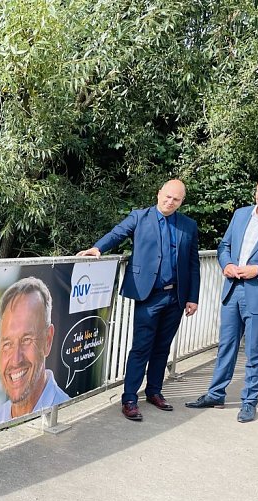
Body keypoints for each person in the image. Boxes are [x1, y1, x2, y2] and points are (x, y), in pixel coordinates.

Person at [186, 172, 258, 423]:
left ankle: (249, 402)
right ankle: (216, 394)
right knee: (226, 346)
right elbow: (224, 246)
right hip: (233, 289)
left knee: (255, 351)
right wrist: (226, 264)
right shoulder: (241, 214)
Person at [77, 179, 200, 421]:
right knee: (142, 346)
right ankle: (130, 398)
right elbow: (117, 233)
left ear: (181, 201)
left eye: (176, 199)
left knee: (163, 347)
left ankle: (154, 391)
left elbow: (193, 263)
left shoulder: (188, 225)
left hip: (176, 296)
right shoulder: (139, 217)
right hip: (149, 295)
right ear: (158, 194)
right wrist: (97, 248)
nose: (170, 201)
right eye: (167, 196)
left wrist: (192, 297)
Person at [0, 277, 70, 425]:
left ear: (48, 340)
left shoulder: (69, 415)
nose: (15, 359)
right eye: (7, 344)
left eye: (26, 340)